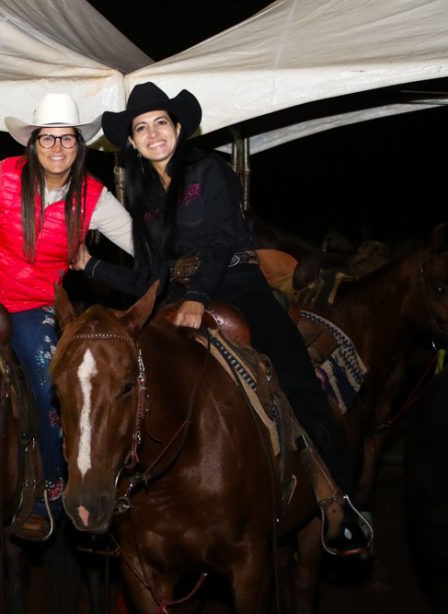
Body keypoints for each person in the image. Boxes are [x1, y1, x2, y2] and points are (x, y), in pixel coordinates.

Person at [75, 82, 372, 557]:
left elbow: (218, 241)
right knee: (128, 384)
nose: (153, 135)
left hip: (236, 285)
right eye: (141, 128)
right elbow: (150, 274)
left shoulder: (209, 171)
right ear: (131, 140)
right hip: (174, 299)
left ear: (177, 129)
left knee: (299, 382)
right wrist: (90, 266)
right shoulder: (145, 196)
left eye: (160, 124)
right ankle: (124, 501)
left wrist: (196, 295)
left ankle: (343, 505)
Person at [0, 93, 134, 541]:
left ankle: (49, 491)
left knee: (52, 386)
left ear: (78, 145)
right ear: (33, 143)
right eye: (47, 138)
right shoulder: (3, 175)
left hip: (34, 304)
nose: (57, 147)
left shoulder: (95, 199)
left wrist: (102, 268)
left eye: (66, 138)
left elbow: (142, 247)